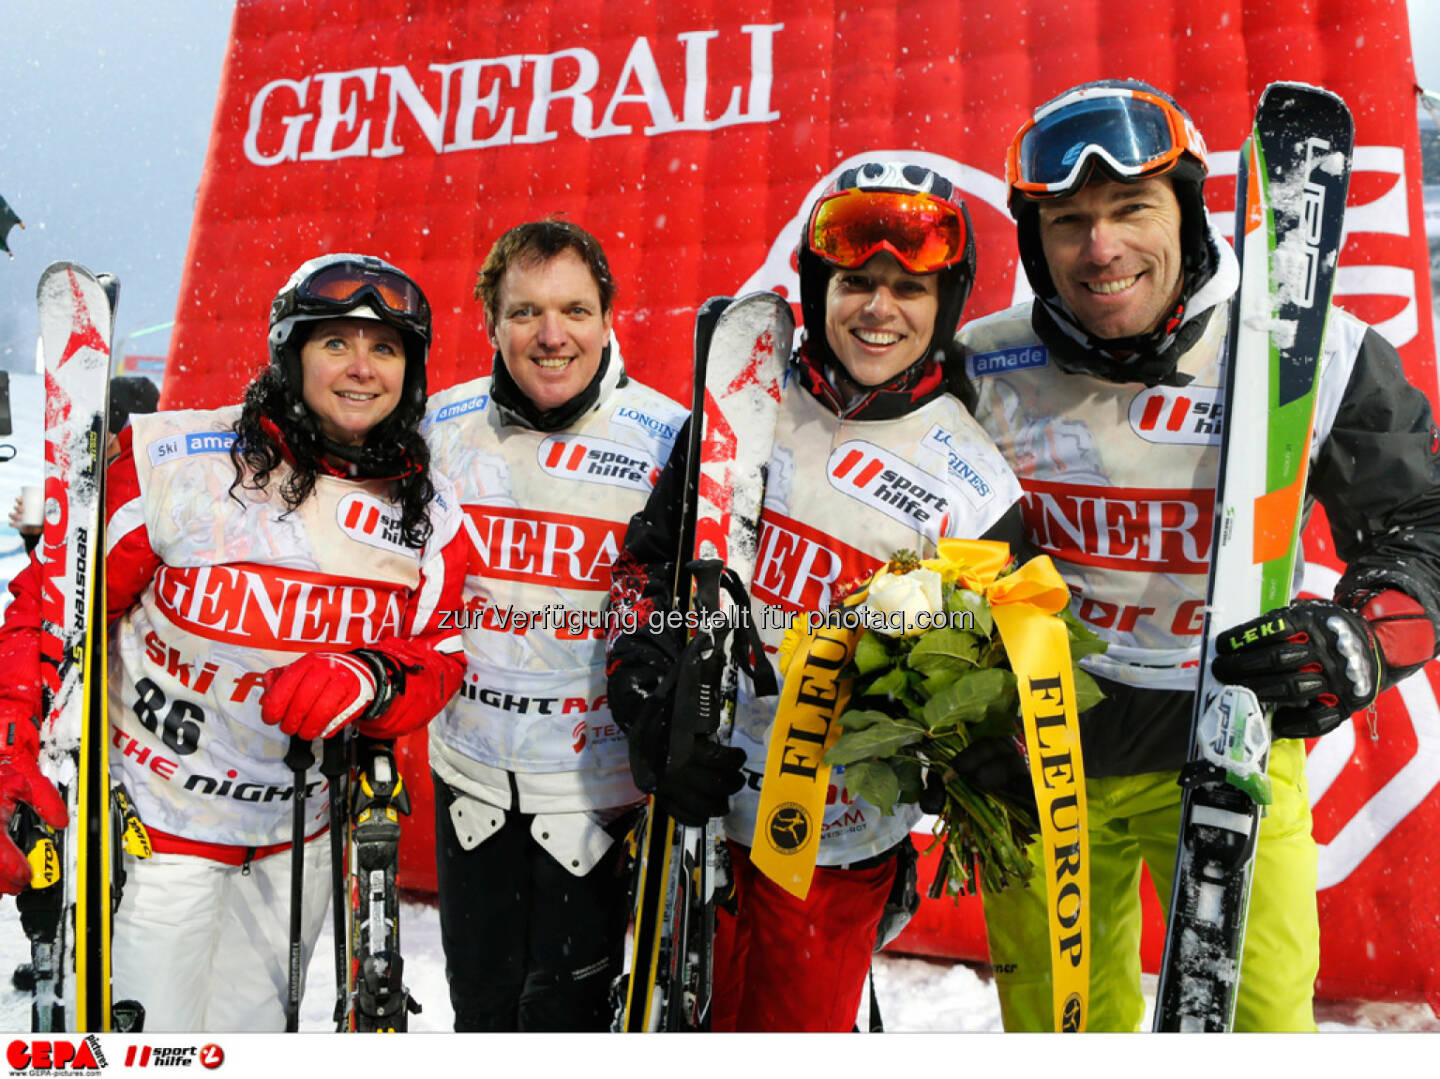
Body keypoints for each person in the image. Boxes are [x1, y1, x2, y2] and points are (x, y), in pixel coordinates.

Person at [957, 79, 1440, 1031]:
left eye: (1132, 209)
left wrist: (1363, 637)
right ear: (1034, 240)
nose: (1102, 249)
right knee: (1058, 1035)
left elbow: (1424, 524)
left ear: (1187, 209)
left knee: (1262, 1031)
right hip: (1042, 758)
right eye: (1068, 222)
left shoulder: (1314, 351)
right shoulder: (983, 363)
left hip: (1235, 740)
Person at [605, 160, 1032, 1031]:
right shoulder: (744, 406)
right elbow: (650, 568)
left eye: (909, 287)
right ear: (817, 286)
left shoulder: (977, 485)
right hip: (703, 810)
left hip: (835, 845)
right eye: (856, 282)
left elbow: (982, 676)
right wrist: (648, 685)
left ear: (945, 303)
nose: (879, 309)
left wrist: (972, 737)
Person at [0, 253, 468, 1030]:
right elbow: (53, 609)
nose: (361, 367)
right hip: (155, 833)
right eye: (335, 343)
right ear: (291, 354)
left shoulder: (428, 509)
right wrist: (14, 744)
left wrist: (372, 678)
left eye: (385, 347)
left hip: (295, 844)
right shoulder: (178, 462)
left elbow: (441, 656)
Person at [423, 218, 688, 1031]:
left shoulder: (670, 438)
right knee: (481, 1013)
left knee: (568, 1022)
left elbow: (687, 607)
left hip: (595, 794)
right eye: (525, 312)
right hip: (468, 778)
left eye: (574, 309)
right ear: (491, 321)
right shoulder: (437, 426)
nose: (551, 335)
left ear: (610, 317)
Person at [7, 376, 159, 554]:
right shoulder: (86, 479)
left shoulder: (148, 491)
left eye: (109, 436)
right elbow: (65, 568)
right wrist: (37, 534)